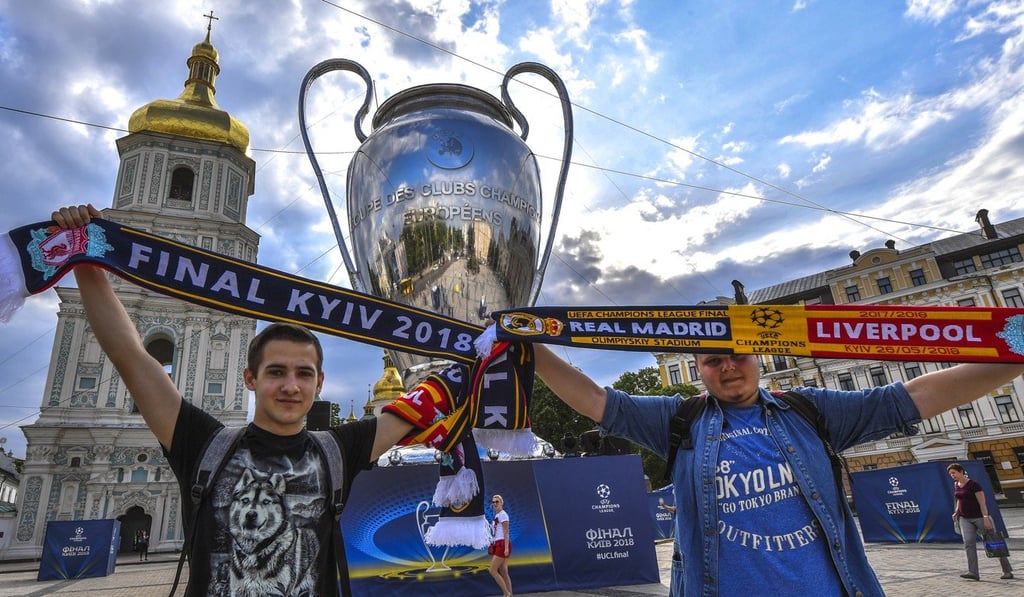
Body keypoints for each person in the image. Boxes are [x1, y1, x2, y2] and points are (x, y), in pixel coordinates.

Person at [51, 205, 416, 596]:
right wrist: (85, 262)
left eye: (303, 373)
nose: (291, 386)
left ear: (319, 383)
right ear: (250, 379)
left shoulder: (338, 450)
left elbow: (430, 402)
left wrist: (480, 350)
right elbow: (131, 356)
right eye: (276, 372)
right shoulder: (204, 443)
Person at [533, 344, 1024, 596]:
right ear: (698, 368)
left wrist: (1016, 354)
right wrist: (532, 348)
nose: (728, 368)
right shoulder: (678, 420)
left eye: (738, 356)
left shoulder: (812, 410)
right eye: (713, 361)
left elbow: (914, 396)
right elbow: (597, 400)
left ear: (758, 355)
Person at [948, 463, 1013, 580]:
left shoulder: (974, 485)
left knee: (993, 542)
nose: (952, 475)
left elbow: (982, 502)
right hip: (964, 519)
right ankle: (973, 572)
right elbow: (959, 499)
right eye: (950, 474)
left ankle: (1007, 571)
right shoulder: (956, 484)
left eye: (954, 473)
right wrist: (957, 511)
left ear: (961, 472)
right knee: (968, 544)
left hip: (979, 517)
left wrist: (985, 517)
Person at [488, 494, 513, 597]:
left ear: (501, 503)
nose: (494, 504)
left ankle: (506, 593)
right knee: (503, 571)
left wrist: (506, 548)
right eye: (493, 502)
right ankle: (509, 594)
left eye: (497, 501)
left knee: (492, 570)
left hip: (503, 544)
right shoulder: (497, 516)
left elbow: (506, 532)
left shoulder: (503, 515)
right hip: (499, 544)